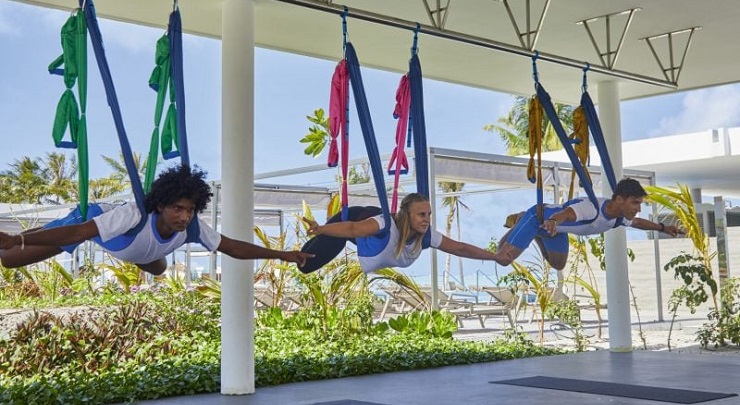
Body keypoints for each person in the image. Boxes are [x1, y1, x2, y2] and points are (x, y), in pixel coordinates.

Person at [0, 165, 313, 274]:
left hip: (140, 252)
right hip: (98, 228)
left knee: (159, 267)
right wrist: (17, 239)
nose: (185, 216)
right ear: (161, 204)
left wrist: (282, 255)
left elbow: (232, 247)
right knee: (10, 259)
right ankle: (15, 239)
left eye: (190, 209)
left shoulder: (191, 227)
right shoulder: (134, 215)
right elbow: (77, 233)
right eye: (178, 208)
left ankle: (138, 256)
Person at [491, 178, 683, 270]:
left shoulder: (619, 216)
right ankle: (521, 220)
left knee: (558, 264)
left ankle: (539, 235)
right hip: (540, 217)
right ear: (619, 199)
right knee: (503, 259)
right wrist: (551, 221)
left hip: (554, 230)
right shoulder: (591, 208)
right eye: (635, 202)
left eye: (639, 203)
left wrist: (664, 228)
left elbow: (638, 223)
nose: (638, 208)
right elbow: (565, 214)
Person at [300, 192, 500, 274]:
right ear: (408, 215)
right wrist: (321, 229)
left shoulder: (426, 236)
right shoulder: (384, 225)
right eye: (421, 214)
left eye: (429, 214)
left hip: (376, 232)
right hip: (356, 217)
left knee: (308, 261)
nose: (426, 219)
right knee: (307, 264)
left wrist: (494, 257)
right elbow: (353, 228)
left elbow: (460, 248)